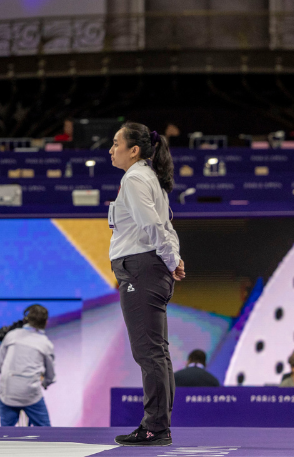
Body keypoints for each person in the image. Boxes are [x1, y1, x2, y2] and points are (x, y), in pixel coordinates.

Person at [108, 122, 184, 447]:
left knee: (149, 353)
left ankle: (155, 427)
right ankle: (158, 425)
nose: (111, 150)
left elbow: (154, 226)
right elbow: (166, 226)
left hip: (141, 269)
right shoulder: (149, 178)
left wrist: (171, 259)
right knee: (157, 352)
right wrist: (174, 258)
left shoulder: (136, 178)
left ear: (134, 150)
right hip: (148, 269)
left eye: (115, 143)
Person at [0, 304, 55, 427]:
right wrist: (45, 382)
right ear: (45, 322)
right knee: (47, 433)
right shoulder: (45, 344)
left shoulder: (11, 335)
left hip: (8, 394)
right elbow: (50, 376)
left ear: (26, 319)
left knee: (5, 435)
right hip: (31, 396)